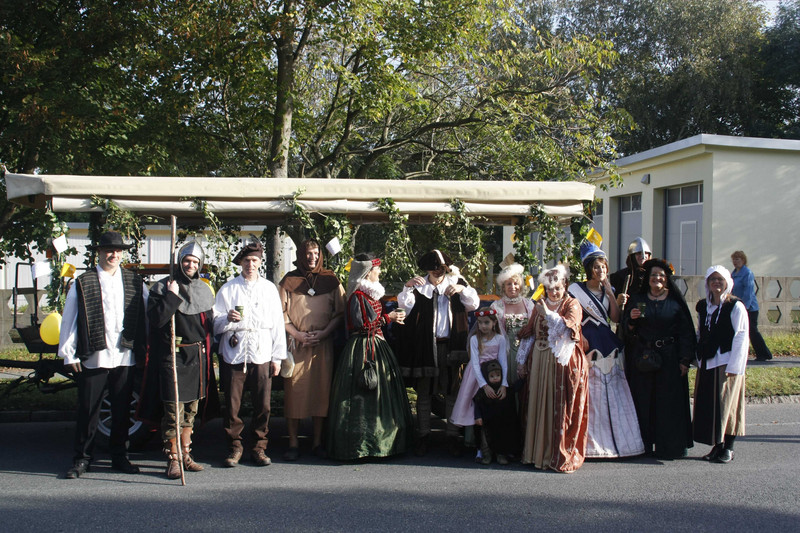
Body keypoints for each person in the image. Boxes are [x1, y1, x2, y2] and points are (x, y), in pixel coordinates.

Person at [58, 231, 148, 479]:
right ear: (99, 252)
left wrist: (146, 345)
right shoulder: (84, 281)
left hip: (123, 355)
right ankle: (82, 458)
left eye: (118, 251)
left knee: (121, 410)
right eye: (109, 250)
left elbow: (147, 315)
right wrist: (69, 354)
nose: (114, 255)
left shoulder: (134, 281)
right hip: (94, 354)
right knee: (88, 410)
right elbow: (70, 318)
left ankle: (119, 456)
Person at [140, 241, 218, 479]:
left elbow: (209, 326)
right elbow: (158, 320)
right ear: (179, 261)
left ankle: (186, 454)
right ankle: (173, 459)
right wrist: (172, 296)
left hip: (197, 358)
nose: (191, 265)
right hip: (173, 356)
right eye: (187, 260)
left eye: (195, 262)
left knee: (190, 412)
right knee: (173, 411)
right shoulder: (163, 288)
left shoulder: (204, 289)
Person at [326, 254, 413, 460]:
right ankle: (359, 444)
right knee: (360, 395)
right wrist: (387, 318)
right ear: (367, 272)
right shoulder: (357, 296)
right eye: (376, 269)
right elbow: (361, 326)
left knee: (380, 395)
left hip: (377, 344)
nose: (379, 272)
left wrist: (391, 319)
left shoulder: (372, 295)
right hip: (362, 348)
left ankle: (382, 441)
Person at [396, 249, 480, 456]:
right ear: (426, 270)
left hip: (450, 346)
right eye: (433, 271)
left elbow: (474, 304)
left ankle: (451, 435)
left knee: (451, 391)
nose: (437, 274)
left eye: (440, 270)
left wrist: (461, 288)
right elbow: (404, 309)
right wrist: (407, 288)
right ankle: (424, 434)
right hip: (425, 346)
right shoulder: (418, 286)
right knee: (424, 392)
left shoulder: (456, 282)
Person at [213, 239, 286, 467]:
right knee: (233, 405)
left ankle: (259, 447)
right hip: (234, 353)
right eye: (246, 261)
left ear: (260, 263)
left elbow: (277, 324)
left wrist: (277, 357)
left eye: (254, 261)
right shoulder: (228, 289)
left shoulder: (269, 289)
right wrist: (228, 318)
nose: (250, 265)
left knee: (263, 404)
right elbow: (214, 323)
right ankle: (235, 446)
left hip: (261, 352)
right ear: (241, 264)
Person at [568, 243, 644, 458]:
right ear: (588, 269)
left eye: (603, 267)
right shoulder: (575, 290)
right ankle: (590, 443)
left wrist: (611, 294)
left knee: (612, 391)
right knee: (590, 393)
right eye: (596, 267)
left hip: (607, 341)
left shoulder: (608, 290)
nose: (600, 271)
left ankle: (618, 441)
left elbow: (615, 318)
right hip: (587, 340)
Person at [517, 264, 589, 473]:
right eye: (550, 288)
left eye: (557, 287)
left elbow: (567, 330)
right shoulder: (540, 305)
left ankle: (553, 454)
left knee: (556, 406)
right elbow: (530, 333)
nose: (554, 292)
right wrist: (521, 361)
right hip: (539, 360)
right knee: (538, 405)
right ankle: (535, 453)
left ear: (564, 285)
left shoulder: (572, 304)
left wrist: (547, 313)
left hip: (561, 361)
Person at [279, 239, 345, 460]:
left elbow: (339, 313)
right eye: (308, 253)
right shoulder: (289, 280)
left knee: (320, 393)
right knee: (294, 393)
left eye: (316, 253)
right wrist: (297, 335)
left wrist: (324, 333)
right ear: (301, 254)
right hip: (297, 345)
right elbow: (280, 314)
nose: (312, 257)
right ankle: (293, 443)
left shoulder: (331, 280)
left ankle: (317, 443)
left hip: (322, 344)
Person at [623, 258, 695, 459]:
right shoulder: (638, 300)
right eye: (654, 275)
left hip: (670, 359)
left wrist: (684, 360)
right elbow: (627, 330)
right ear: (648, 278)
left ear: (666, 279)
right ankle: (643, 445)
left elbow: (686, 332)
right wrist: (631, 321)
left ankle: (669, 446)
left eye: (661, 276)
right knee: (644, 401)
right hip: (644, 358)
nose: (657, 279)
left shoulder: (674, 302)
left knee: (668, 403)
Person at [694, 266, 749, 464]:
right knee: (712, 407)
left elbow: (741, 336)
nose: (716, 282)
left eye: (720, 279)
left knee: (728, 405)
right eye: (712, 279)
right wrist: (698, 358)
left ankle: (729, 448)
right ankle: (717, 446)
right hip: (707, 362)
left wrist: (735, 366)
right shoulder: (704, 306)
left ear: (727, 282)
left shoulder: (735, 306)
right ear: (707, 283)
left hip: (727, 362)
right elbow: (700, 332)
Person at [449, 309, 509, 462]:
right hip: (476, 378)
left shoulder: (500, 339)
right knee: (476, 413)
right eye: (481, 323)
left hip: (494, 375)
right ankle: (479, 449)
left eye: (487, 322)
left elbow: (503, 361)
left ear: (494, 322)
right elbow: (475, 362)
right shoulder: (475, 339)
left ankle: (498, 449)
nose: (483, 326)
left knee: (495, 414)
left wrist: (503, 383)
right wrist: (483, 385)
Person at [490, 258, 534, 387]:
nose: (513, 287)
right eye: (508, 284)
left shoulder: (529, 305)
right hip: (505, 353)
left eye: (515, 283)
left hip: (528, 351)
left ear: (520, 286)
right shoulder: (496, 306)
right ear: (503, 286)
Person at [472, 360, 521, 466]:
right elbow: (477, 403)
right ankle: (487, 455)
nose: (495, 378)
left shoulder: (505, 388)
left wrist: (522, 379)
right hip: (487, 423)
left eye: (498, 375)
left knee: (502, 438)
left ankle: (501, 455)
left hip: (501, 423)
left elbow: (515, 388)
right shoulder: (483, 392)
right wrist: (478, 417)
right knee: (485, 440)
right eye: (492, 376)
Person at [730, 251, 772, 361]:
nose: (735, 262)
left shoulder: (747, 273)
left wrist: (745, 307)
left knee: (752, 331)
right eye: (734, 259)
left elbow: (748, 292)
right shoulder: (733, 274)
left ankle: (763, 353)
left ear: (743, 261)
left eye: (737, 259)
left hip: (749, 307)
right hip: (737, 306)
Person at [610, 237, 652, 309]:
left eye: (646, 253)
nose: (643, 256)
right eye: (638, 253)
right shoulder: (620, 276)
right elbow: (612, 305)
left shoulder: (653, 275)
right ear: (632, 256)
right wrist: (618, 301)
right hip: (627, 316)